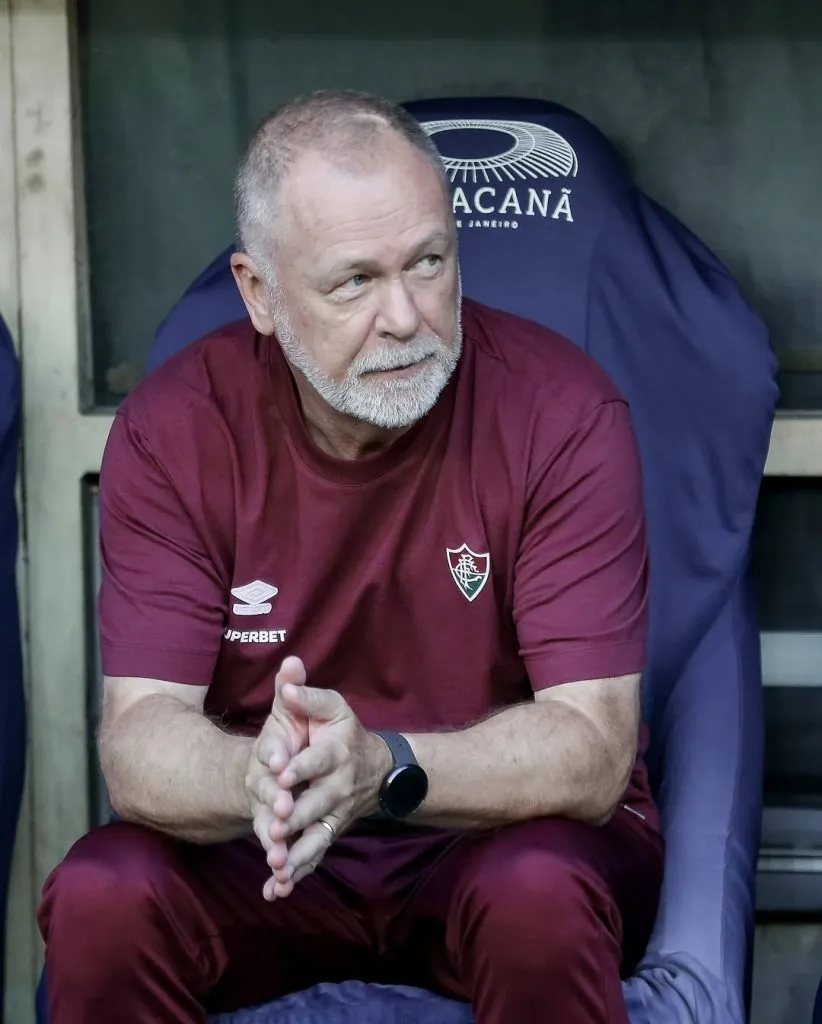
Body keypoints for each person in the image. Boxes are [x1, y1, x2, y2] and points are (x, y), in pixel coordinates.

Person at [38, 90, 663, 1024]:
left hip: (491, 838)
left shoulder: (562, 414)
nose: (406, 316)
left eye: (428, 263)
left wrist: (387, 767)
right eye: (354, 282)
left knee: (539, 892)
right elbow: (140, 743)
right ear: (260, 292)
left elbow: (593, 749)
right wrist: (253, 779)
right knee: (102, 893)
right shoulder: (175, 428)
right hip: (268, 850)